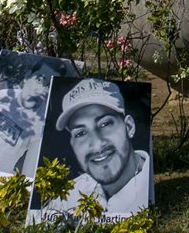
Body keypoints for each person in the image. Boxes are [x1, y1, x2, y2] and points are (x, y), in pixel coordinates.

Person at [44, 79, 150, 217]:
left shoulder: (148, 191)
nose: (96, 143)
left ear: (129, 127)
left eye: (105, 124)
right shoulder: (71, 194)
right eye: (81, 133)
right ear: (73, 145)